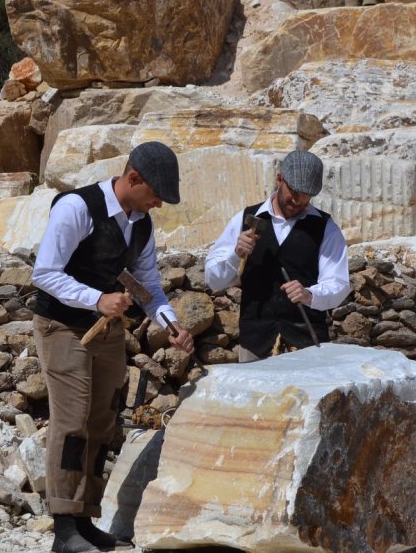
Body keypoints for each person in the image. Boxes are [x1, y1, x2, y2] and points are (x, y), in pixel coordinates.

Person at [31, 141, 195, 553]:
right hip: (62, 326)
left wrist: (171, 324)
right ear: (133, 177)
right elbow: (45, 273)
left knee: (102, 421)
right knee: (72, 420)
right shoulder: (77, 208)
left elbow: (146, 284)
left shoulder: (142, 224)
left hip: (106, 331)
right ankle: (64, 527)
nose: (158, 204)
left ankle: (84, 518)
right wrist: (97, 299)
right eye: (156, 194)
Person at [205, 150, 350, 362]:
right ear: (280, 179)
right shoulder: (244, 219)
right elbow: (213, 280)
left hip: (307, 345)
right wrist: (235, 254)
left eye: (306, 195)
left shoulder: (326, 228)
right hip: (255, 344)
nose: (298, 200)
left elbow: (339, 283)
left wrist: (309, 294)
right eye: (294, 191)